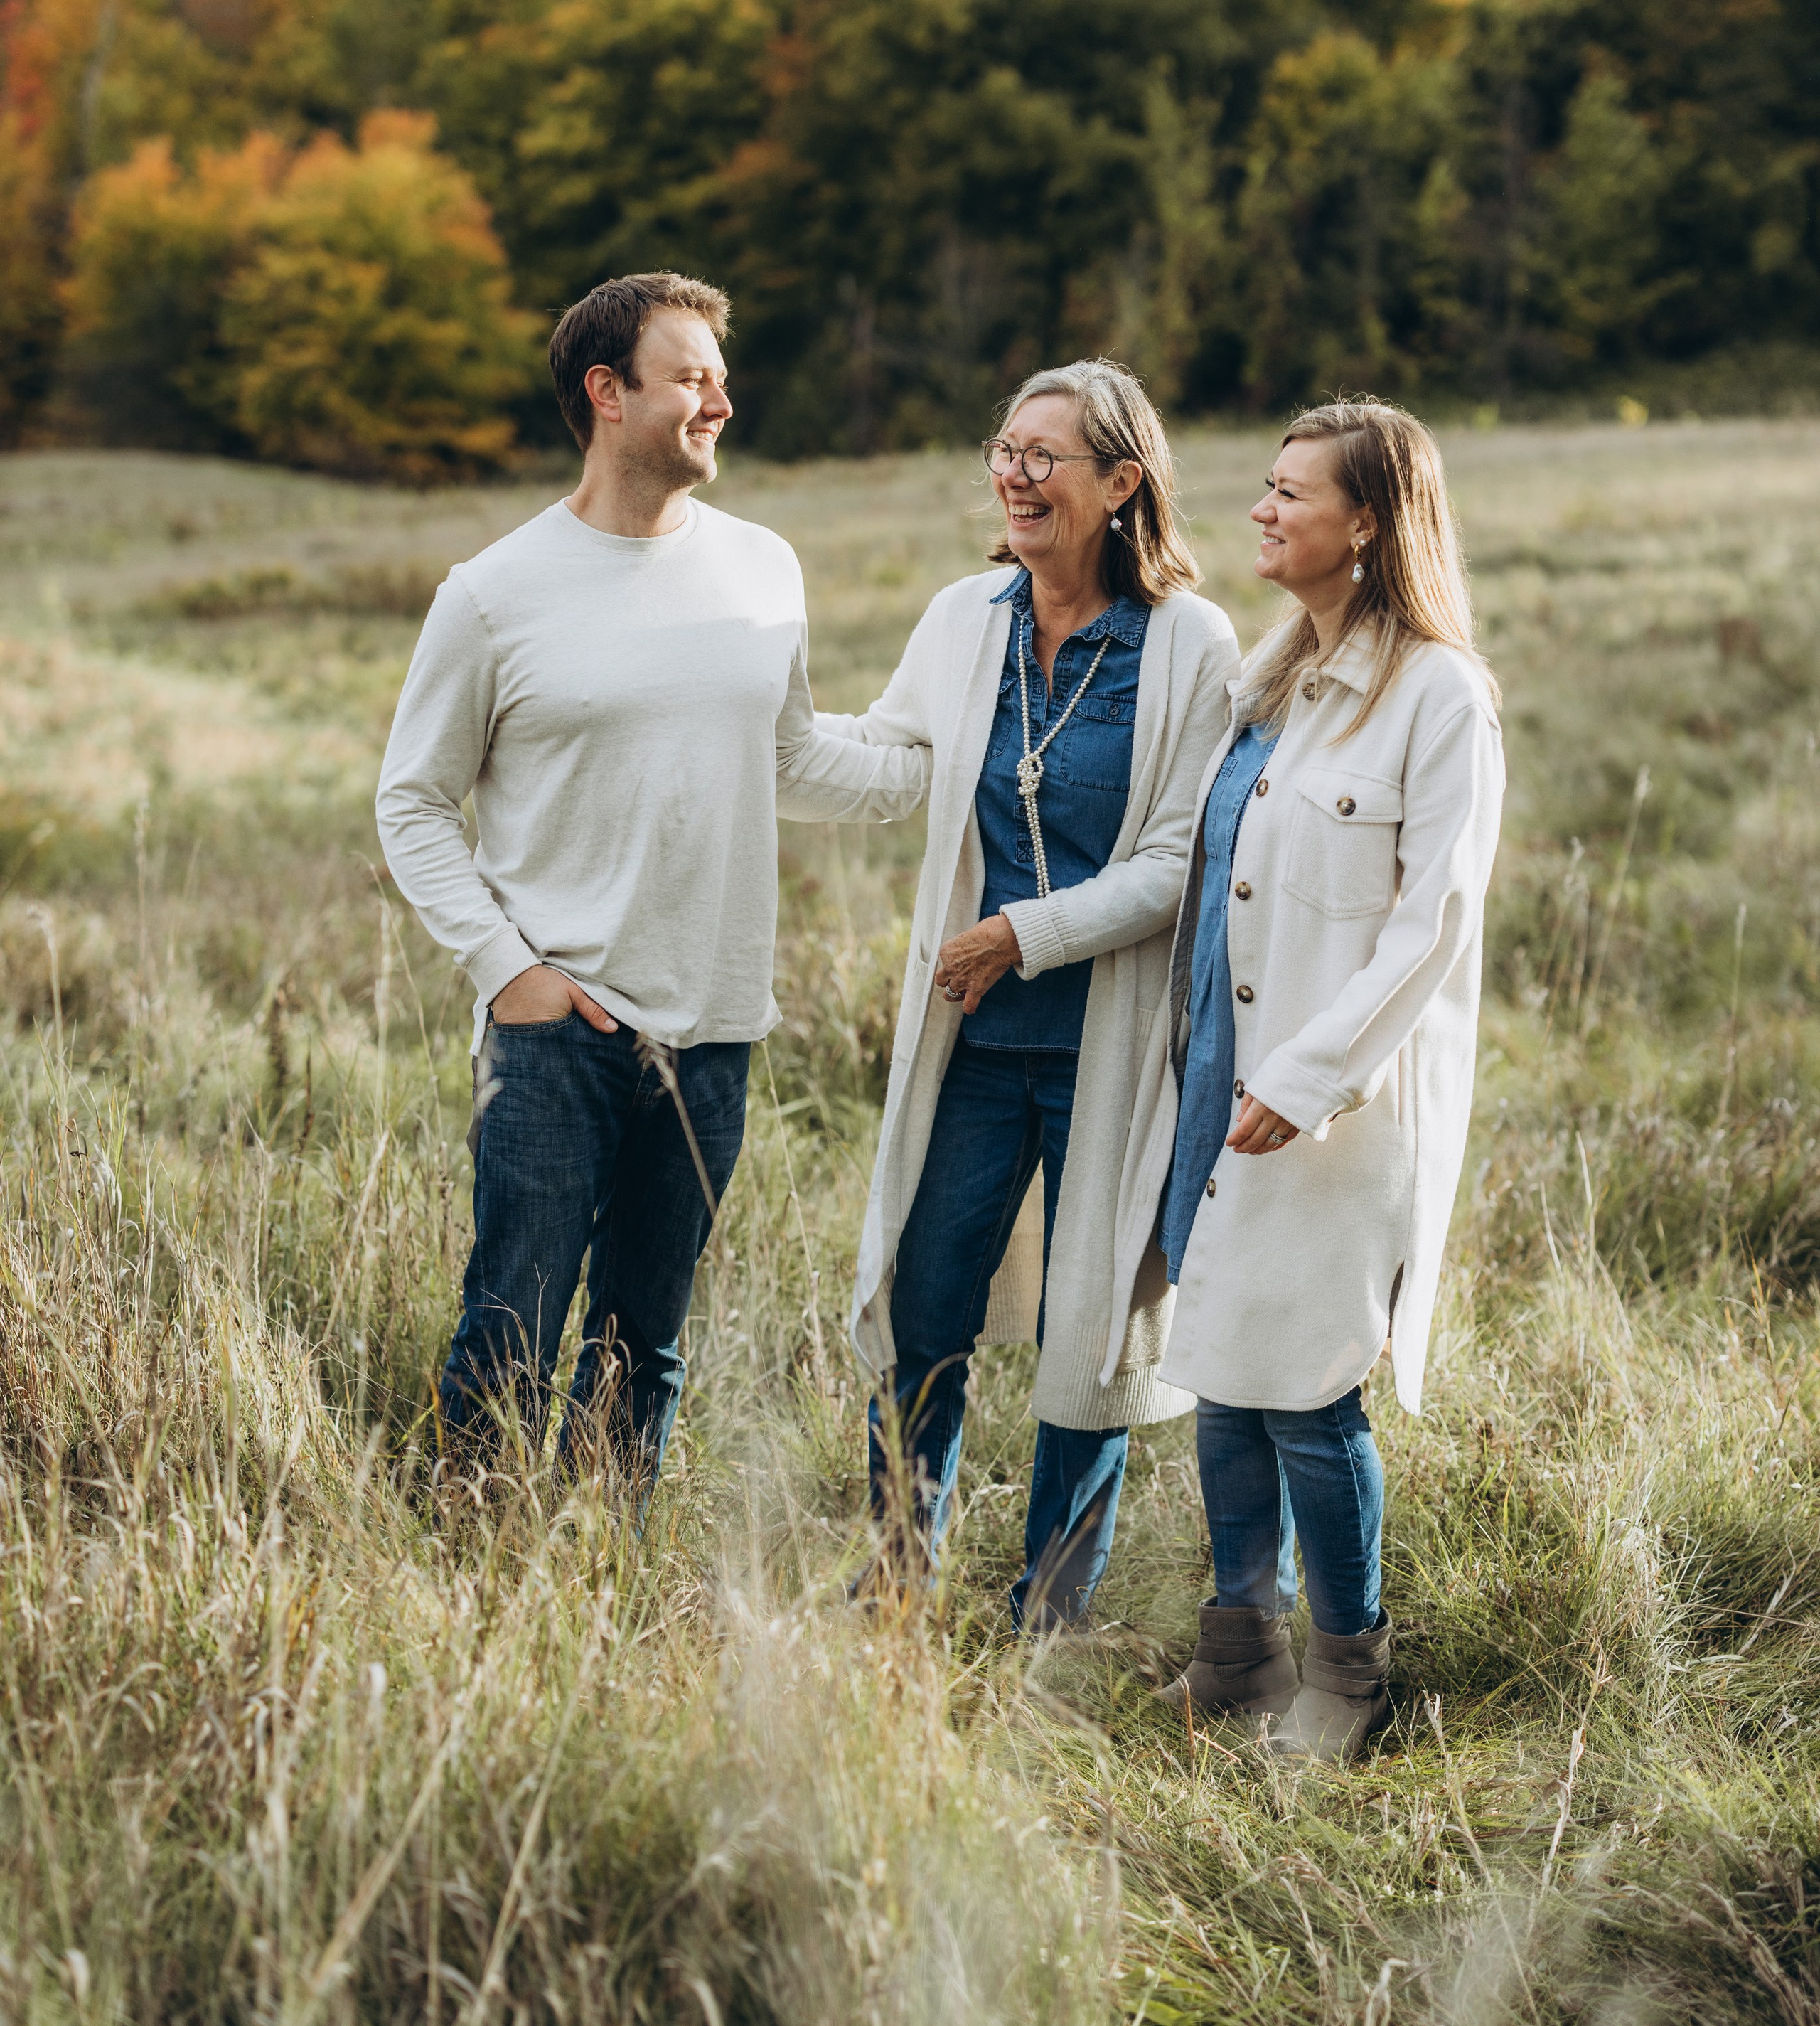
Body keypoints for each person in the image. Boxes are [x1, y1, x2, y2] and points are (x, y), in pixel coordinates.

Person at [375, 272, 928, 1493]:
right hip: (554, 1028)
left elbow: (787, 755)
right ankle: (475, 1575)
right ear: (607, 393)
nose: (721, 401)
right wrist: (506, 971)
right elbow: (411, 801)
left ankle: (608, 1582)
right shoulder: (493, 593)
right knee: (509, 1335)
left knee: (646, 1350)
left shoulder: (763, 567)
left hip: (715, 1027)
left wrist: (948, 761)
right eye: (691, 376)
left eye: (719, 377)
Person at [821, 362, 1237, 1627]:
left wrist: (1020, 931)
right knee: (926, 1300)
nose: (1013, 474)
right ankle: (900, 1571)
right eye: (1004, 449)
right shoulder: (964, 618)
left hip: (1110, 1043)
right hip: (979, 1041)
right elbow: (891, 761)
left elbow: (1178, 861)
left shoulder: (1187, 643)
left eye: (1043, 456)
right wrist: (756, 719)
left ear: (1121, 484)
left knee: (1088, 1328)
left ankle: (1050, 1611)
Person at [1125, 397, 1504, 1759]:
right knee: (1221, 1374)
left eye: (1294, 493)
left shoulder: (1438, 695)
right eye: (1266, 486)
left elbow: (1435, 923)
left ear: (1371, 523)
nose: (1263, 511)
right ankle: (1243, 1653)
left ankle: (1350, 1678)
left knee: (1311, 1390)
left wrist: (1315, 1072)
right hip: (1219, 1079)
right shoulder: (1273, 685)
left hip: (1332, 1104)